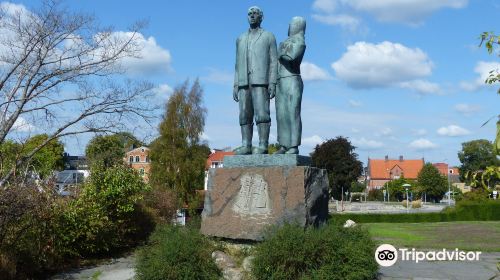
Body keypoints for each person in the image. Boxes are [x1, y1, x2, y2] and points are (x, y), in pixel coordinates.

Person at [233, 6, 278, 155]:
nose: (252, 16)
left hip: (261, 81)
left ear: (261, 17)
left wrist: (272, 82)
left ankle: (263, 145)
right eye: (249, 14)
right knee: (244, 115)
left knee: (262, 114)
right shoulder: (240, 38)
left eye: (255, 14)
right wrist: (235, 84)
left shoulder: (269, 36)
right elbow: (237, 64)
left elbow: (273, 61)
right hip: (243, 82)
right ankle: (246, 145)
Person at [274, 17, 306, 154]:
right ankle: (283, 145)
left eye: (291, 24)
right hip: (280, 81)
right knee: (281, 115)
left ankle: (293, 146)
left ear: (297, 26)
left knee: (293, 113)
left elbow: (292, 57)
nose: (289, 26)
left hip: (293, 80)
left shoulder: (300, 41)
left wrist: (281, 51)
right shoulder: (285, 42)